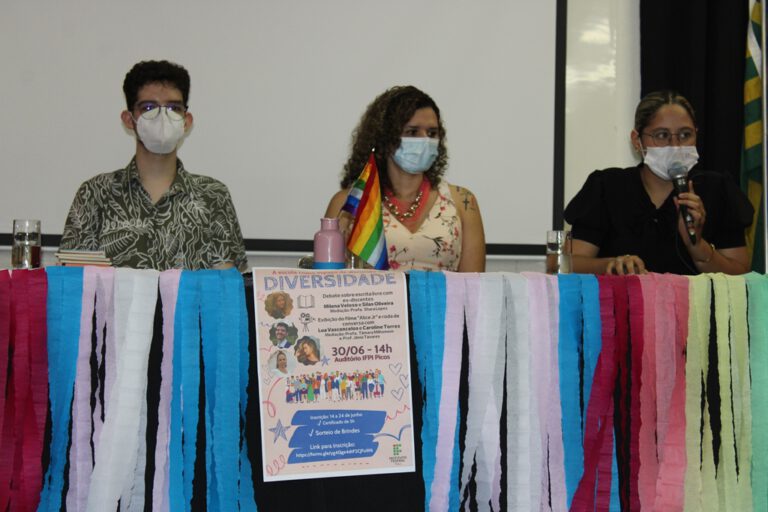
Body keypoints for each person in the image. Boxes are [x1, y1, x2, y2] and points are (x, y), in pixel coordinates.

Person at [59, 60, 247, 271]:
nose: (162, 117)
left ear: (186, 120)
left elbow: (230, 287)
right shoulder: (94, 194)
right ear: (129, 119)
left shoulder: (213, 196)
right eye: (148, 107)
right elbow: (73, 283)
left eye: (174, 108)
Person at [564, 90, 753, 275]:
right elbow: (565, 264)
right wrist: (613, 265)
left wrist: (696, 246)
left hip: (694, 306)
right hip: (621, 305)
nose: (675, 145)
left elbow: (741, 274)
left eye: (685, 134)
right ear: (637, 141)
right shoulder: (607, 187)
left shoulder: (717, 190)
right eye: (662, 135)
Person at [324, 86, 486, 272]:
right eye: (412, 132)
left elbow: (473, 288)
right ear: (385, 138)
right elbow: (330, 286)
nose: (425, 140)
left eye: (432, 133)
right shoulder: (348, 204)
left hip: (444, 302)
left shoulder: (463, 202)